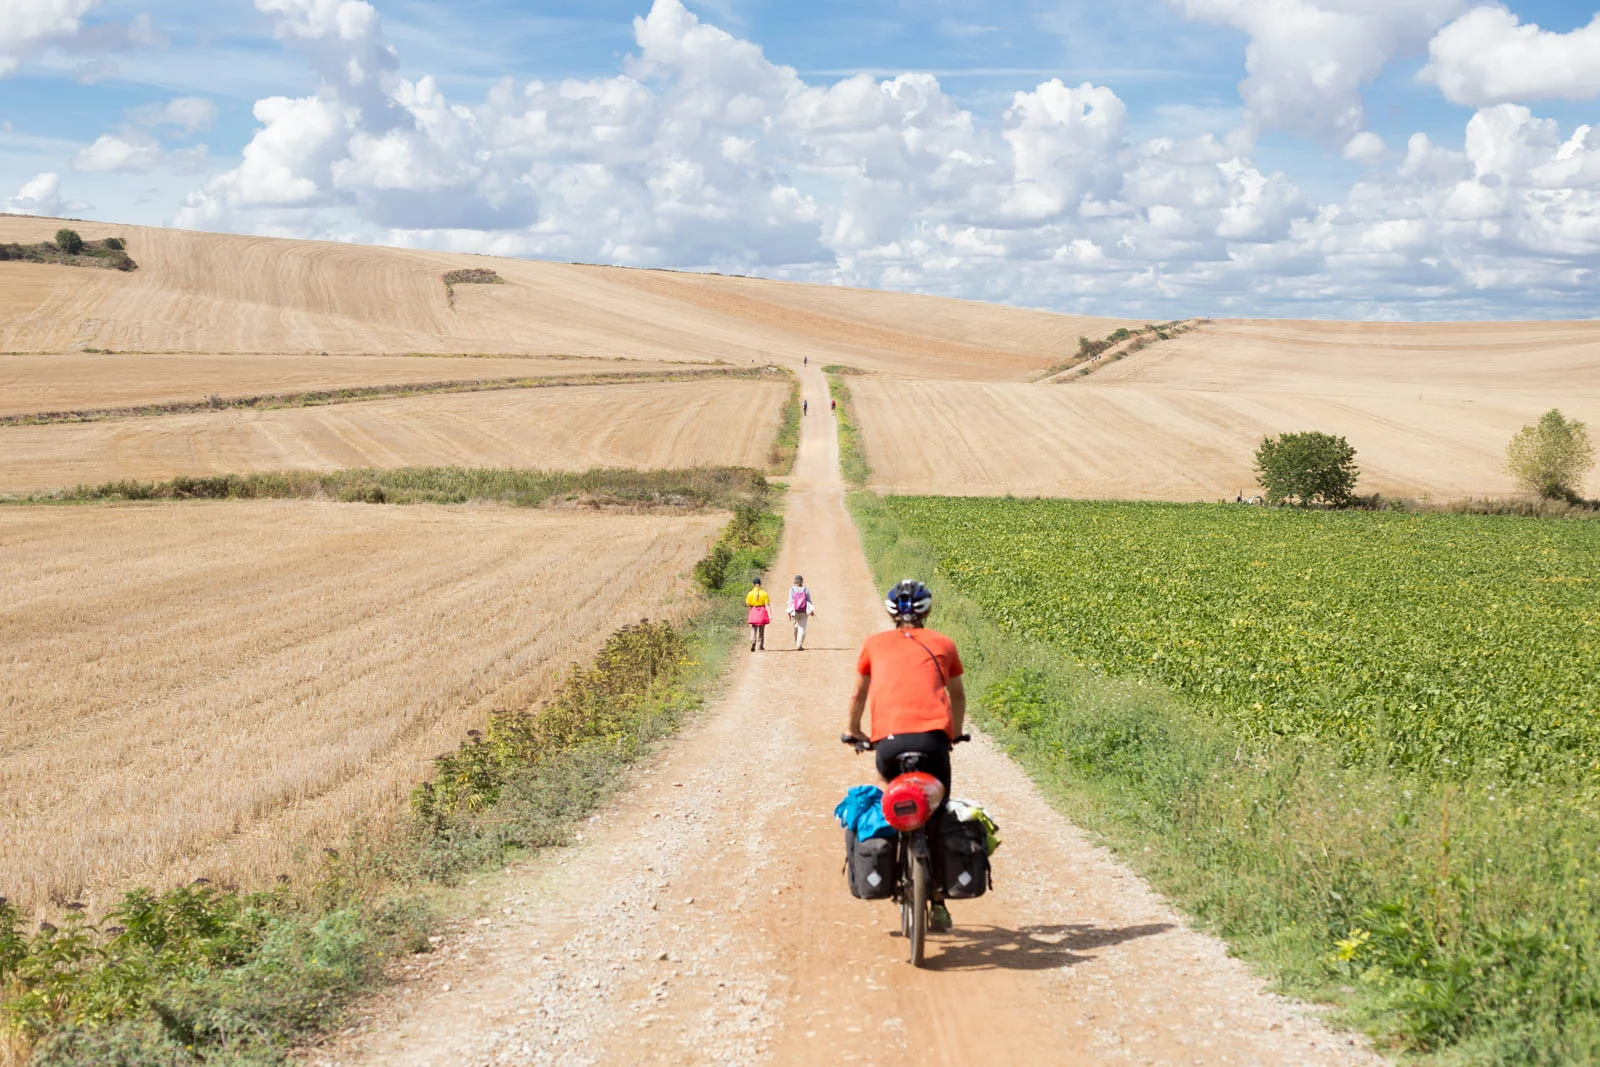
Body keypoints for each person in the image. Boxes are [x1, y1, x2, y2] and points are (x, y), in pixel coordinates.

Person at [844, 578, 965, 931]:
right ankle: (939, 903)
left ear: (892, 612)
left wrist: (854, 732)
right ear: (927, 611)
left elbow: (857, 697)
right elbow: (956, 696)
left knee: (894, 798)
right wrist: (954, 733)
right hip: (932, 743)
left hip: (890, 744)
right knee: (938, 810)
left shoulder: (874, 644)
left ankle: (890, 862)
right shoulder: (944, 644)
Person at [786, 574, 816, 650]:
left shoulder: (791, 589)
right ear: (802, 581)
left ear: (795, 581)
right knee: (802, 627)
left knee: (796, 625)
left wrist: (789, 612)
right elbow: (809, 601)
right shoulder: (806, 589)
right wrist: (811, 610)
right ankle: (799, 645)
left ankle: (796, 638)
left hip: (794, 611)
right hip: (804, 611)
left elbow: (790, 601)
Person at [745, 578, 771, 651]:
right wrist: (770, 614)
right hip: (762, 611)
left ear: (753, 584)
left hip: (753, 610)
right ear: (760, 584)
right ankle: (760, 646)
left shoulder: (750, 593)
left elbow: (748, 604)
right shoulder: (764, 593)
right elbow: (767, 604)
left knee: (753, 628)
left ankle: (753, 641)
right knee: (761, 630)